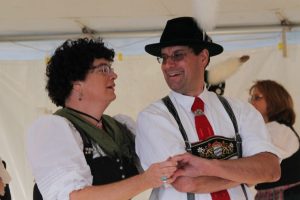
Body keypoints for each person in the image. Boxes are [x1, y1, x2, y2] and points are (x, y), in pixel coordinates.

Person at [135, 16, 281, 200]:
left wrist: (209, 167)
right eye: (163, 58)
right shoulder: (153, 117)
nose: (168, 65)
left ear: (203, 57)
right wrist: (245, 174)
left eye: (177, 55)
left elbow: (271, 170)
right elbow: (186, 182)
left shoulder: (240, 110)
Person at [26, 38, 178, 200]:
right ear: (76, 83)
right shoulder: (52, 130)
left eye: (110, 68)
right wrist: (146, 180)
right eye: (103, 70)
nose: (114, 75)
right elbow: (73, 197)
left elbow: (160, 168)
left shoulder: (121, 128)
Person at [249, 80, 300, 200]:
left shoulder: (278, 129)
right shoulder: (268, 128)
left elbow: (255, 166)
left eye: (257, 97)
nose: (251, 102)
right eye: (251, 98)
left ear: (274, 100)